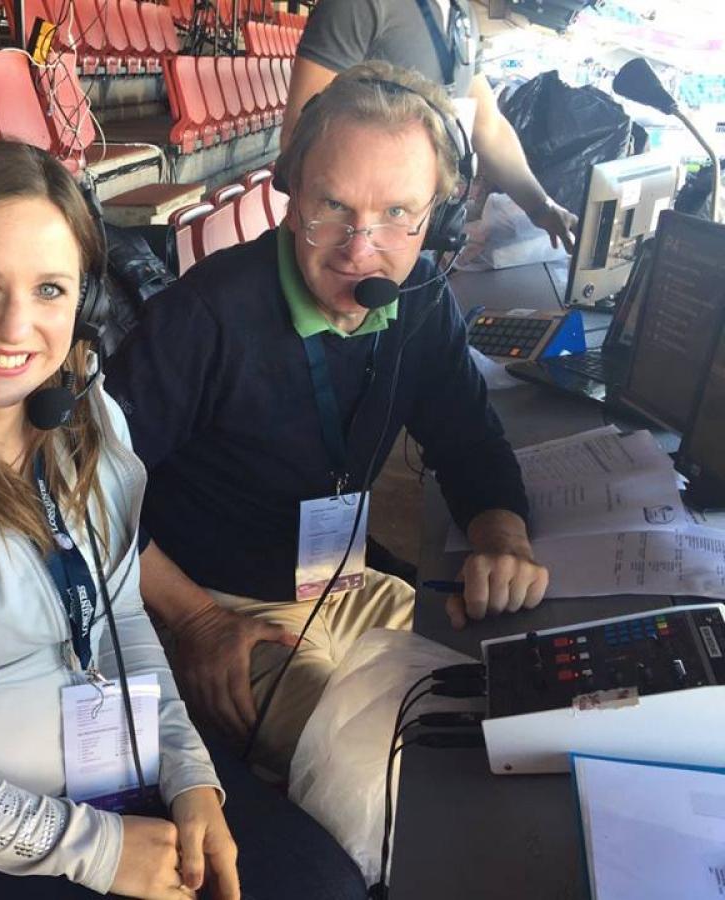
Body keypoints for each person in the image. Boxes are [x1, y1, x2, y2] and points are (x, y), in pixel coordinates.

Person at [0, 140, 365, 899]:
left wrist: (190, 779)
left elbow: (121, 616)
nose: (16, 327)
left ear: (85, 304)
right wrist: (97, 849)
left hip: (98, 776)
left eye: (50, 290)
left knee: (322, 887)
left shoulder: (87, 421)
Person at [105, 64, 550, 778]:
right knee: (379, 768)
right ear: (289, 198)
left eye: (397, 216)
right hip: (214, 602)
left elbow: (469, 441)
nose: (358, 250)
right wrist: (194, 619)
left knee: (514, 676)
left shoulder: (425, 303)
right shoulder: (208, 315)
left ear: (436, 215)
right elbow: (80, 482)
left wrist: (503, 536)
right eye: (332, 208)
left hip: (337, 583)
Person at [282, 0, 579, 252]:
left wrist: (540, 206)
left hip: (414, 231)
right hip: (353, 242)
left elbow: (487, 127)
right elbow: (302, 130)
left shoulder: (461, 13)